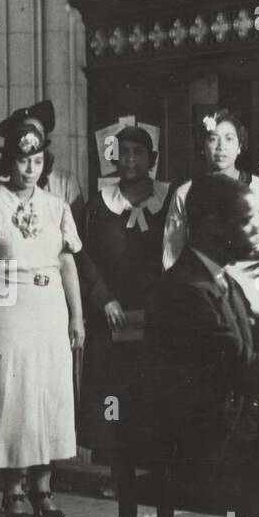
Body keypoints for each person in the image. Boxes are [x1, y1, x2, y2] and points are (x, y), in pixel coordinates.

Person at [145, 176, 259, 505]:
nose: (257, 229)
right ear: (211, 225)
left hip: (226, 432)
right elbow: (244, 368)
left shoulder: (219, 280)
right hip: (198, 452)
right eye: (246, 221)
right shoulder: (187, 290)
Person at [0, 100, 84, 517]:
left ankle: (43, 487)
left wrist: (76, 317)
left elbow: (67, 262)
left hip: (50, 308)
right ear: (9, 159)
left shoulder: (55, 206)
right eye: (22, 159)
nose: (29, 167)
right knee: (13, 397)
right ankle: (12, 490)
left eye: (37, 159)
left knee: (48, 395)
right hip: (9, 304)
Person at [76, 124, 174, 469]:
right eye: (124, 152)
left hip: (156, 317)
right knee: (112, 396)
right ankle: (116, 470)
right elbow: (81, 256)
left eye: (138, 152)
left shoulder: (171, 200)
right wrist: (104, 299)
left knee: (152, 391)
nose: (130, 159)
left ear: (153, 159)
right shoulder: (97, 206)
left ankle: (151, 468)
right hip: (111, 318)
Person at [161, 109, 259, 328]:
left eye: (229, 139)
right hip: (203, 301)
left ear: (240, 146)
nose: (221, 147)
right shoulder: (185, 194)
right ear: (204, 147)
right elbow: (172, 257)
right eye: (213, 139)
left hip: (254, 298)